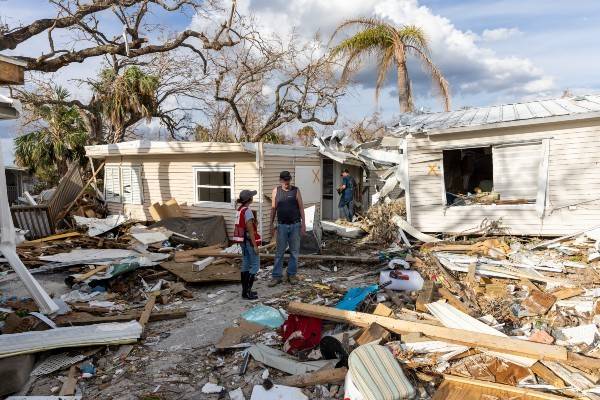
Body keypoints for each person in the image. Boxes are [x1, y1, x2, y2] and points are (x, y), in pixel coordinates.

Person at [268, 170, 306, 286]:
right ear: (280, 180)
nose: (286, 182)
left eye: (288, 180)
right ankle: (276, 276)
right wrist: (271, 224)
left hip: (295, 225)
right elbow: (273, 208)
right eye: (284, 180)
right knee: (279, 252)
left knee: (294, 252)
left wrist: (303, 224)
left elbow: (301, 208)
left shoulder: (296, 190)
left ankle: (291, 274)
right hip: (282, 226)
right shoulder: (276, 191)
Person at [232, 189, 261, 300]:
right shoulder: (247, 211)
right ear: (250, 199)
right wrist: (255, 246)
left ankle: (245, 292)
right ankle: (247, 292)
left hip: (242, 241)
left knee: (245, 264)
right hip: (249, 241)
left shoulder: (240, 209)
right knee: (255, 265)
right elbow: (250, 230)